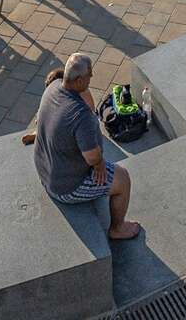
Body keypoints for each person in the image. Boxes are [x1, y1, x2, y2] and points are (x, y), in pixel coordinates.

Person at [33, 53, 141, 240]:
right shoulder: (81, 117)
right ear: (80, 79)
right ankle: (117, 228)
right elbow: (92, 157)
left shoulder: (52, 88)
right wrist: (99, 166)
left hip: (43, 167)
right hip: (64, 188)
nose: (92, 77)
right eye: (90, 74)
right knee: (122, 178)